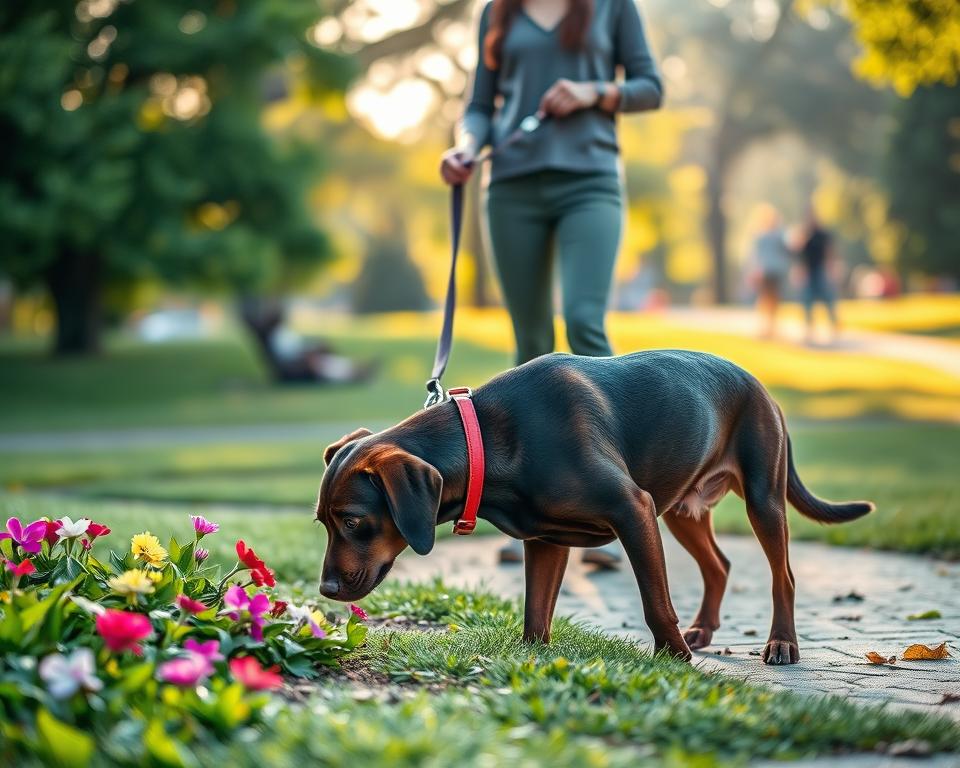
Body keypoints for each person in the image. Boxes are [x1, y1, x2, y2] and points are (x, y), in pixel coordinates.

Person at [439, 0, 662, 567]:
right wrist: (465, 146)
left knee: (586, 322)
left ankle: (615, 508)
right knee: (530, 339)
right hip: (510, 186)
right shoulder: (497, 10)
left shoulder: (612, 7)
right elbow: (479, 105)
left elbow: (649, 87)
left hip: (590, 180)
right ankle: (536, 517)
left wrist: (593, 93)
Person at [795, 209, 840, 344]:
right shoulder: (804, 235)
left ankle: (834, 324)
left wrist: (831, 268)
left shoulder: (822, 234)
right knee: (807, 300)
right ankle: (809, 327)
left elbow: (829, 251)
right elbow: (800, 254)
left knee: (827, 298)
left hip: (821, 270)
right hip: (809, 271)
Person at [747, 204, 791, 339]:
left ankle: (773, 326)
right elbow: (755, 256)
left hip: (777, 270)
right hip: (765, 271)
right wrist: (754, 271)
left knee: (775, 299)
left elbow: (788, 250)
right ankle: (765, 327)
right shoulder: (761, 236)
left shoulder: (780, 235)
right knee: (765, 298)